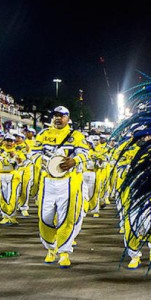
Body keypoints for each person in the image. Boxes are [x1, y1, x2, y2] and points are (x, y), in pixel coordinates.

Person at [31, 106, 89, 268]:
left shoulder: (76, 136)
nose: (58, 118)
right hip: (48, 181)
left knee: (67, 218)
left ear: (68, 118)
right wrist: (45, 161)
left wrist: (74, 161)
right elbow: (33, 154)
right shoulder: (43, 135)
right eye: (55, 115)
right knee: (45, 218)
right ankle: (51, 248)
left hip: (68, 182)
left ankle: (64, 252)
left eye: (61, 116)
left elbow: (85, 154)